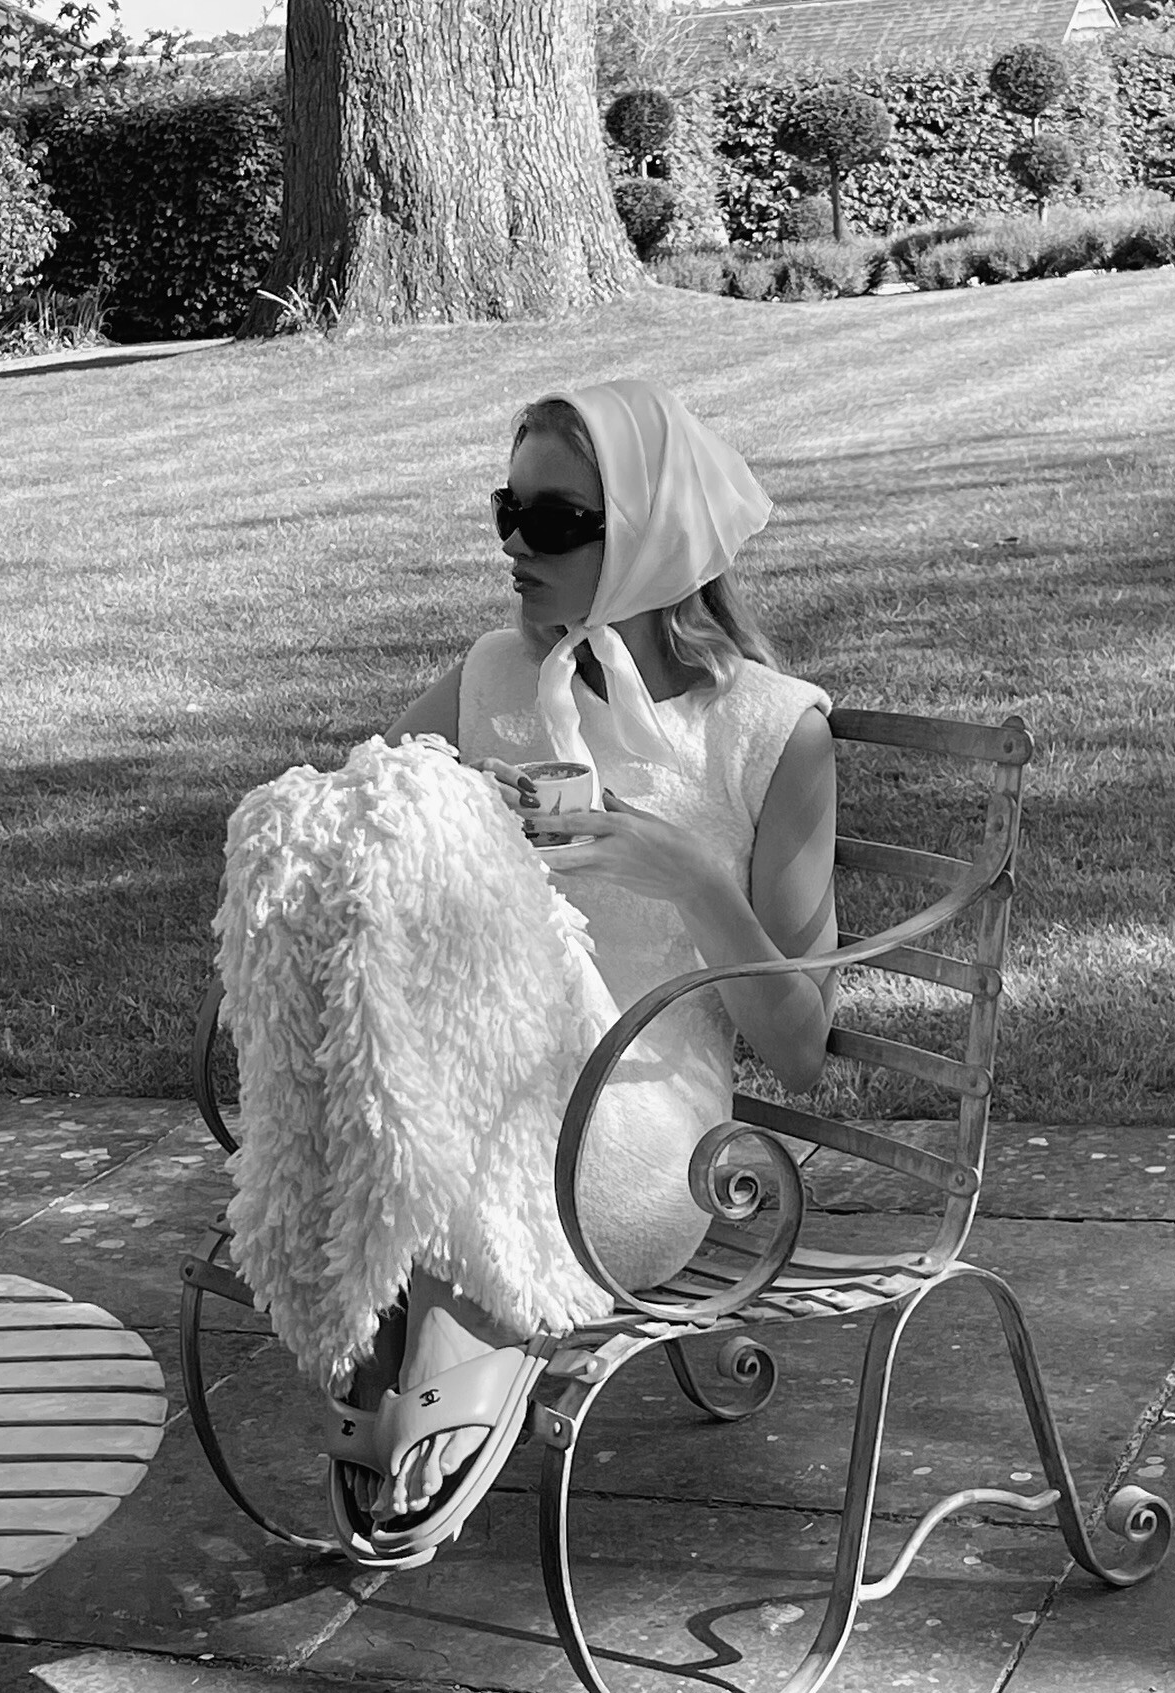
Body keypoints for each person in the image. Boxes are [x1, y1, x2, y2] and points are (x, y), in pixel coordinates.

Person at [216, 378, 839, 1567]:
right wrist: (444, 822)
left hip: (644, 1130)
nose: (516, 546)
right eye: (508, 511)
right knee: (390, 939)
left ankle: (441, 1336)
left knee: (439, 1108)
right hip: (475, 1085)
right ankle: (441, 1329)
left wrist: (685, 873)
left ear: (652, 534)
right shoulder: (493, 675)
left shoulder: (770, 730)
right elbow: (356, 814)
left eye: (554, 522)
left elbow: (801, 1048)